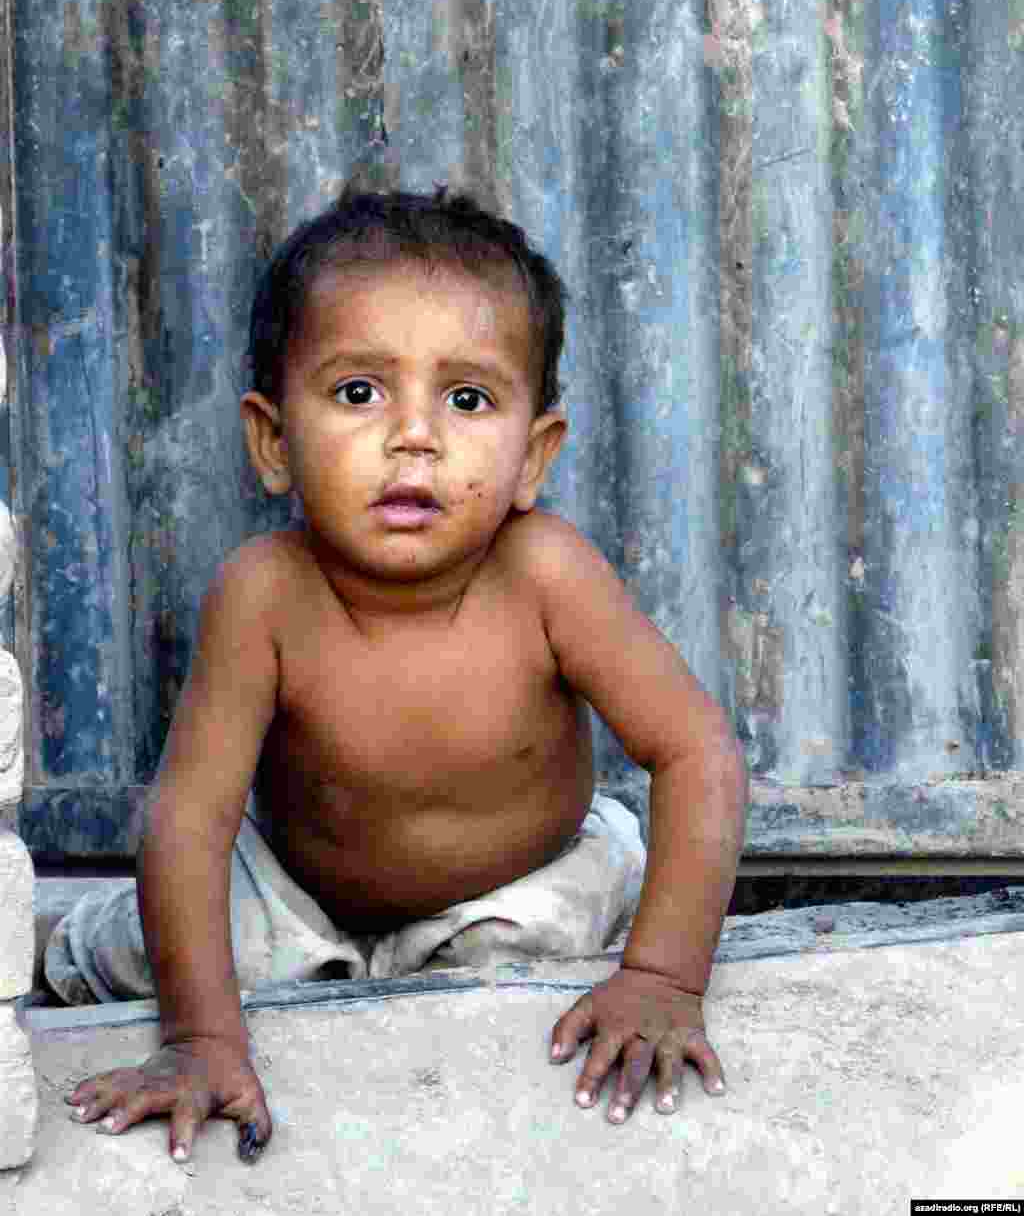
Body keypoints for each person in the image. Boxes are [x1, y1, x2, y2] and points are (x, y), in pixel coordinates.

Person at [59, 186, 748, 1164]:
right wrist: (202, 1040)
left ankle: (413, 959)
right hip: (301, 890)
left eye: (466, 399)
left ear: (532, 456)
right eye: (358, 393)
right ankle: (51, 940)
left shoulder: (545, 572)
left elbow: (697, 754)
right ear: (271, 441)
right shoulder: (265, 593)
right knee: (153, 947)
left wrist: (666, 979)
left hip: (524, 877)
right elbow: (190, 820)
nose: (412, 435)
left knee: (554, 934)